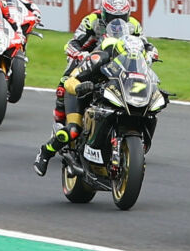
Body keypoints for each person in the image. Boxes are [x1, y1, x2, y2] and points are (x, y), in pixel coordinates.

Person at [32, 21, 147, 176]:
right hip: (81, 94)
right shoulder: (98, 58)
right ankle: (45, 152)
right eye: (123, 57)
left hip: (110, 96)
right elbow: (70, 79)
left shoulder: (137, 65)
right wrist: (80, 87)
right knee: (73, 130)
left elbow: (148, 80)